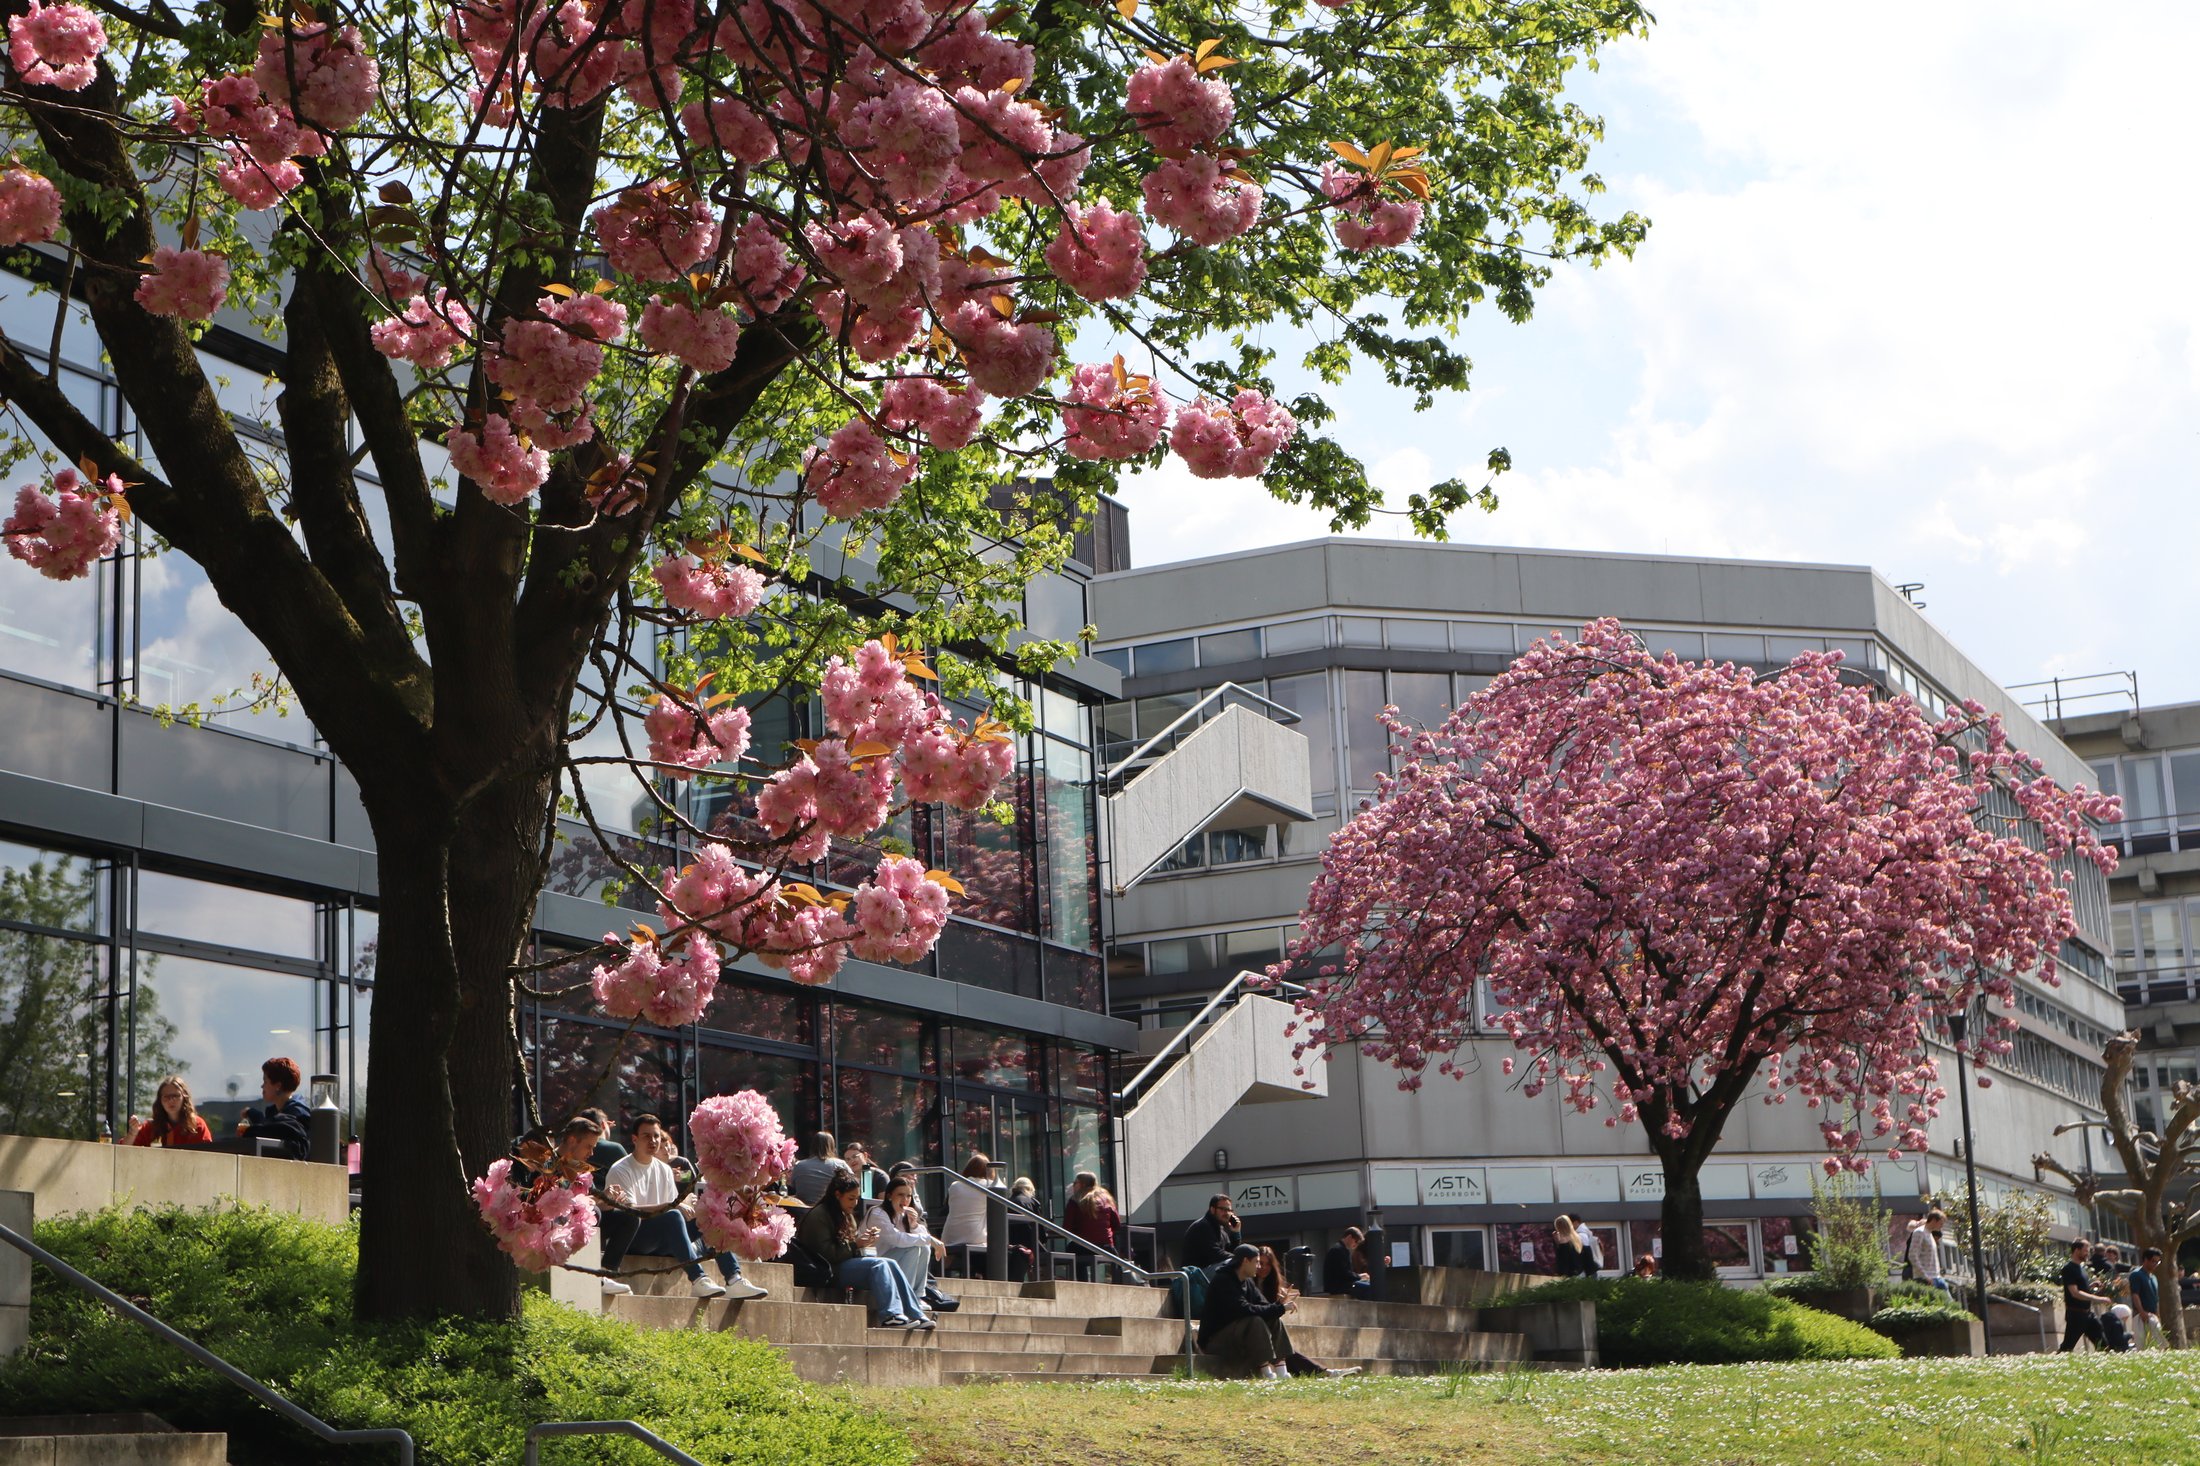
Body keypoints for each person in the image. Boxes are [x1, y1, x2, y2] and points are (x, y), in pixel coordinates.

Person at [598, 1114, 768, 1302]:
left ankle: (733, 1278)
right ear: (634, 1139)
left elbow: (675, 1208)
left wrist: (693, 1210)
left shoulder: (663, 1169)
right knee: (673, 1216)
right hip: (636, 1237)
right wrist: (672, 1207)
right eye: (646, 1136)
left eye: (656, 1136)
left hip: (666, 1236)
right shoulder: (621, 1169)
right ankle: (698, 1279)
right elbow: (629, 1212)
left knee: (711, 1216)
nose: (653, 1141)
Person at [796, 1172, 934, 1329]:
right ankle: (891, 1315)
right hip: (826, 1270)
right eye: (850, 1198)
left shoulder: (846, 1215)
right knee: (878, 1265)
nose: (855, 1203)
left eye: (856, 1198)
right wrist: (856, 1245)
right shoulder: (820, 1215)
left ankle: (914, 1313)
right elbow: (826, 1254)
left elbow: (848, 1247)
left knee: (890, 1263)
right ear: (837, 1195)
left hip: (841, 1263)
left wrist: (864, 1244)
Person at [1253, 1245, 1355, 1378]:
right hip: (1258, 1333)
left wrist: (1280, 1303)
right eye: (1260, 1263)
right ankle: (1326, 1373)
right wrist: (1279, 1306)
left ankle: (1325, 1372)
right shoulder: (1250, 1283)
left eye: (1268, 1264)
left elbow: (1270, 1312)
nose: (1264, 1268)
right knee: (1285, 1349)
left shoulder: (1271, 1285)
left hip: (1269, 1332)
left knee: (1286, 1350)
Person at [1200, 1244, 1296, 1380]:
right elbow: (1244, 1309)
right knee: (1255, 1320)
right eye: (1256, 1262)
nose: (1259, 1266)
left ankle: (1282, 1371)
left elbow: (1263, 1305)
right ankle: (1266, 1373)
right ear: (1245, 1261)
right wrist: (1279, 1308)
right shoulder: (1223, 1281)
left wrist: (1278, 1305)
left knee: (1274, 1318)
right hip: (1215, 1341)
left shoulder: (1248, 1282)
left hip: (1237, 1335)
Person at [869, 1172, 945, 1298]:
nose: (905, 1200)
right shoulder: (878, 1213)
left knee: (923, 1247)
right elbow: (896, 1239)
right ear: (889, 1196)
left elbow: (918, 1239)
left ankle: (917, 1296)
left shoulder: (903, 1215)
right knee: (915, 1247)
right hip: (876, 1262)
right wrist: (930, 1239)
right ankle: (906, 1296)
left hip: (893, 1261)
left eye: (909, 1196)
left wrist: (914, 1225)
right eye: (900, 1195)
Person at [238, 1057, 312, 1159]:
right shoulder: (280, 1113)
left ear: (277, 1086)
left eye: (265, 1081)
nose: (262, 1086)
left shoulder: (297, 1116)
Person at [942, 1152, 999, 1274]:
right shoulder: (988, 1187)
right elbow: (1002, 1192)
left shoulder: (955, 1186)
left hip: (950, 1236)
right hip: (974, 1237)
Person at [1064, 1171, 1123, 1281]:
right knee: (1116, 1254)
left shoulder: (1075, 1200)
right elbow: (1116, 1224)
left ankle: (1083, 1283)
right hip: (1106, 1247)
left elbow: (1067, 1227)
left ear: (1082, 1184)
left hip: (1084, 1246)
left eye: (1074, 1183)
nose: (1073, 1186)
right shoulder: (1106, 1198)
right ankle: (1118, 1283)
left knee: (1071, 1249)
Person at [2058, 1239, 2110, 1352]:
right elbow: (2075, 1293)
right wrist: (2099, 1299)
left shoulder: (2081, 1268)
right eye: (2085, 1250)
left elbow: (2081, 1289)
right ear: (2077, 1250)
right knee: (2067, 1347)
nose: (2088, 1253)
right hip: (2075, 1315)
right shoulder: (2068, 1269)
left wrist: (2091, 1286)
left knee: (2103, 1344)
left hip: (2088, 1314)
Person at [130, 1076, 212, 1148]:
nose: (171, 1100)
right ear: (160, 1101)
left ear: (184, 1098)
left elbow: (209, 1156)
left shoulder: (197, 1125)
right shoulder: (150, 1127)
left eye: (176, 1096)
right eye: (166, 1097)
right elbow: (123, 1152)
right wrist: (133, 1133)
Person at [1180, 1192, 1242, 1274]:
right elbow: (1215, 1254)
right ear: (1212, 1210)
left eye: (1229, 1210)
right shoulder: (1203, 1226)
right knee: (1233, 1264)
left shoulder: (1221, 1230)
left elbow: (1231, 1251)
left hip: (1208, 1272)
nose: (1227, 1213)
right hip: (1196, 1276)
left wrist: (1236, 1233)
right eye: (1223, 1209)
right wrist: (1239, 1258)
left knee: (1242, 1265)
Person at [787, 1131, 853, 1207]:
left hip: (803, 1212)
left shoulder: (799, 1165)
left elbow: (793, 1185)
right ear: (832, 1146)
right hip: (830, 1211)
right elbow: (853, 1185)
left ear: (813, 1146)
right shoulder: (840, 1164)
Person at [1905, 1209, 1953, 1295]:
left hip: (1936, 1277)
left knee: (1949, 1304)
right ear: (1934, 1220)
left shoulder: (1929, 1233)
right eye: (1941, 1223)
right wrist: (1925, 1276)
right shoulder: (1919, 1232)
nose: (1941, 1226)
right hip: (1926, 1278)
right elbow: (1912, 1255)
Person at [2129, 1247, 2167, 1349]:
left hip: (2152, 1315)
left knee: (2159, 1343)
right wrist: (2141, 1312)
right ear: (2145, 1259)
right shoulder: (2136, 1275)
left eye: (2157, 1262)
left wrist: (2158, 1315)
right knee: (2142, 1345)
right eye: (2153, 1261)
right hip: (2140, 1315)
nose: (2155, 1264)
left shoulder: (2153, 1277)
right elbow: (2135, 1294)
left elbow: (2156, 1298)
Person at [1324, 1226, 1373, 1297]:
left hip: (1340, 1285)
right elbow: (1344, 1273)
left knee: (1368, 1286)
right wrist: (1359, 1276)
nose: (1356, 1245)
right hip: (1338, 1287)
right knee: (1369, 1289)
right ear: (1349, 1237)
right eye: (1356, 1241)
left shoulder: (1342, 1250)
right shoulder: (1338, 1250)